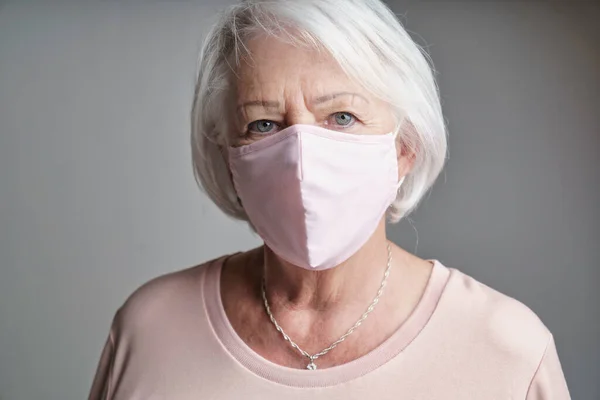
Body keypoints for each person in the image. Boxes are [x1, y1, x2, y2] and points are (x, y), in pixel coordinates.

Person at [89, 0, 570, 398]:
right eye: (264, 124)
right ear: (229, 160)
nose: (301, 158)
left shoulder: (506, 352)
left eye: (341, 117)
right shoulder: (149, 332)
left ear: (405, 147)